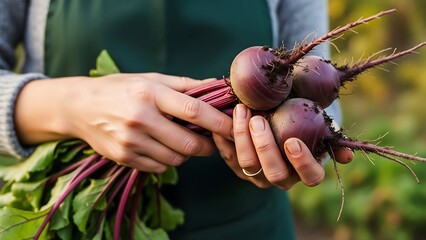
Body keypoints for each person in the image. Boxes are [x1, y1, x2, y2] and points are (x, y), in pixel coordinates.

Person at [0, 0, 353, 239]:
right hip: (92, 218)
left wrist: (294, 153)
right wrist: (72, 106)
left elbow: (315, 96)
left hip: (247, 221)